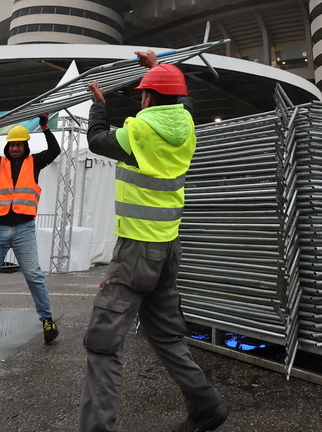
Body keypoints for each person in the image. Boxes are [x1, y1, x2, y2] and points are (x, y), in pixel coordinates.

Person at [78, 52, 228, 432]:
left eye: (143, 93)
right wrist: (157, 67)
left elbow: (98, 140)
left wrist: (99, 105)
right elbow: (183, 101)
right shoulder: (187, 125)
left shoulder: (140, 131)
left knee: (103, 341)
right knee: (165, 334)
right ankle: (207, 407)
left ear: (147, 98)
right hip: (168, 248)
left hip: (135, 251)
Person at [0, 115, 61, 351]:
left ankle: (47, 321)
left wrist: (46, 127)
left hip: (24, 228)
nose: (16, 148)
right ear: (7, 146)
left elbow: (55, 149)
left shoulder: (35, 162)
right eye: (12, 144)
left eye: (19, 144)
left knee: (34, 276)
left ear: (26, 145)